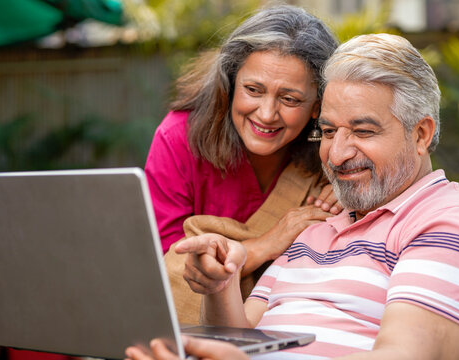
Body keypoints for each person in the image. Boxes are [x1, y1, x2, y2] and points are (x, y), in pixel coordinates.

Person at [126, 33, 459, 360]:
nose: (336, 154)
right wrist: (222, 284)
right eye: (329, 131)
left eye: (363, 132)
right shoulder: (316, 230)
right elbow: (241, 337)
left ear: (420, 135)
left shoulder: (453, 222)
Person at [145, 5, 341, 323]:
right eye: (253, 90)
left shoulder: (336, 152)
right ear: (231, 83)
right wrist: (263, 246)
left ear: (318, 105)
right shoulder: (180, 136)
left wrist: (348, 191)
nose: (266, 114)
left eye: (289, 99)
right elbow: (166, 269)